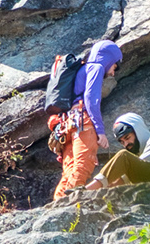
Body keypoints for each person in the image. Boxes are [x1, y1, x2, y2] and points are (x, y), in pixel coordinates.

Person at [50, 41, 121, 197]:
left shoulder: (82, 69)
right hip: (83, 122)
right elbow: (91, 99)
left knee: (70, 170)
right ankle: (66, 206)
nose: (113, 73)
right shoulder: (96, 68)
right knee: (84, 165)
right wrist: (100, 132)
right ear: (109, 58)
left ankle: (57, 203)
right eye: (115, 66)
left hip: (68, 124)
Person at [92, 112, 150, 187]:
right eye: (122, 142)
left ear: (138, 131)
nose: (126, 144)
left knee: (124, 156)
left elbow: (130, 172)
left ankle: (88, 190)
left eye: (127, 138)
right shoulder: (140, 153)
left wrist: (106, 187)